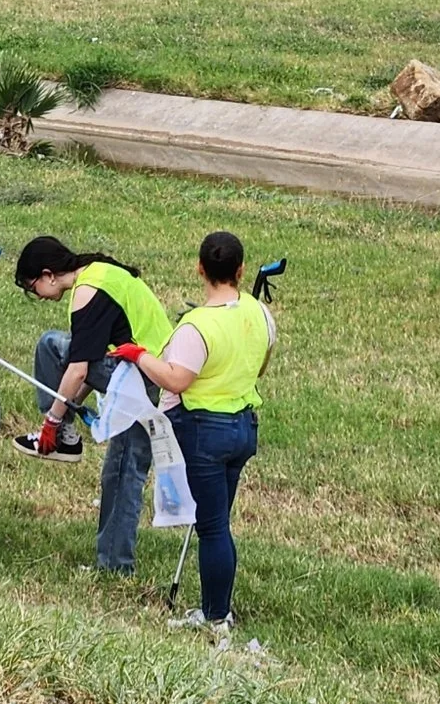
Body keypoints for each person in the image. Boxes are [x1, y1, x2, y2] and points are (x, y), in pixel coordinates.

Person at [113, 230, 275, 638]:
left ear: (200, 269)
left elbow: (176, 380)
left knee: (213, 526)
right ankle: (213, 607)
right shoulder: (259, 313)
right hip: (243, 428)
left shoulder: (195, 326)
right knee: (218, 521)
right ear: (240, 270)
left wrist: (140, 355)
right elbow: (261, 363)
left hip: (206, 433)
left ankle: (217, 616)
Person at [10, 236, 174, 575]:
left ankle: (115, 566)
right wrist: (64, 412)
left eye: (33, 286)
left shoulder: (87, 292)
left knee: (52, 346)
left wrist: (52, 423)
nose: (38, 295)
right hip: (147, 374)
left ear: (48, 274)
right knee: (120, 473)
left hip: (143, 378)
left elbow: (79, 367)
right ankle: (114, 566)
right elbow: (89, 365)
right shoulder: (101, 272)